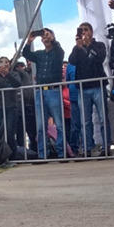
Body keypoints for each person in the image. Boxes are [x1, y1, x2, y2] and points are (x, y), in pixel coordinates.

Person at [21, 27, 68, 159]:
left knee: (59, 124)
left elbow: (59, 49)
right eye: (44, 36)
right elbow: (26, 54)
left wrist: (52, 39)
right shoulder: (40, 54)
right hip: (40, 92)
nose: (46, 38)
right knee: (41, 126)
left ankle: (61, 153)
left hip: (53, 91)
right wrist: (29, 41)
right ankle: (43, 154)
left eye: (48, 35)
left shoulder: (58, 52)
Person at [68, 22, 109, 156]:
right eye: (82, 30)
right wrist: (78, 46)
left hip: (98, 86)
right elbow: (72, 61)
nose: (84, 32)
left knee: (103, 118)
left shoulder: (99, 45)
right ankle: (87, 149)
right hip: (83, 89)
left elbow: (100, 58)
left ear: (91, 32)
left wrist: (89, 45)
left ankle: (106, 147)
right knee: (85, 121)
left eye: (86, 30)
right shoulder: (77, 48)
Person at [0, 56, 24, 155]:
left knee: (9, 133)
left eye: (6, 62)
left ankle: (13, 156)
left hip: (11, 107)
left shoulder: (14, 74)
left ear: (9, 64)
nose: (4, 64)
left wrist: (7, 74)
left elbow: (17, 83)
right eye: (1, 62)